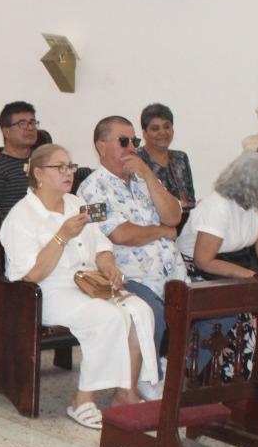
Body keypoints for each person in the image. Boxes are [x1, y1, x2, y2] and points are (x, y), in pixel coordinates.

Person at [2, 142, 158, 428]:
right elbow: (31, 274)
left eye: (70, 166)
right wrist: (61, 236)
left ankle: (126, 393)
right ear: (38, 173)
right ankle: (82, 400)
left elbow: (101, 244)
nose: (68, 173)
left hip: (89, 283)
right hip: (47, 291)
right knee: (107, 317)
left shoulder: (76, 204)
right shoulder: (21, 216)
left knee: (140, 310)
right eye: (59, 167)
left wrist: (109, 265)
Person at [77, 115, 187, 352]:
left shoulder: (145, 179)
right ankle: (147, 377)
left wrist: (147, 175)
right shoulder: (88, 189)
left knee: (216, 305)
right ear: (101, 146)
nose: (132, 147)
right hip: (131, 279)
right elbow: (119, 234)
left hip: (174, 275)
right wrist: (162, 231)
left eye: (134, 141)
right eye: (124, 141)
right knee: (152, 313)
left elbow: (173, 217)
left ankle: (185, 370)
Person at [178, 152, 258, 280]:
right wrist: (252, 277)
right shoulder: (216, 208)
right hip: (200, 271)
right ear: (257, 186)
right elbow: (203, 262)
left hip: (236, 260)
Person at [0, 101, 41, 218]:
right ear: (6, 132)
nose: (30, 128)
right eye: (22, 123)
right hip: (16, 231)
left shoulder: (44, 162)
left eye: (32, 123)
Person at [137, 103, 196, 210]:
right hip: (150, 224)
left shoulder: (180, 158)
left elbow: (190, 201)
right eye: (155, 129)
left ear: (172, 129)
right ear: (144, 133)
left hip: (182, 221)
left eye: (167, 127)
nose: (162, 132)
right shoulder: (136, 160)